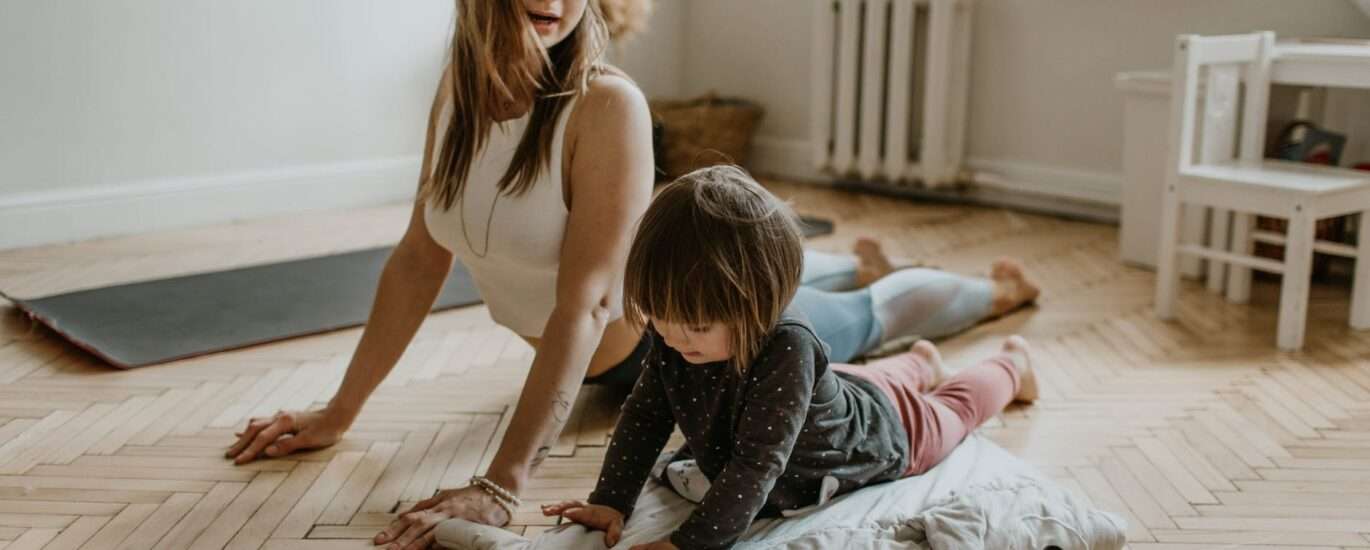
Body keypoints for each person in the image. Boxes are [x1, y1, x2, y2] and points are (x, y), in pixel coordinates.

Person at [224, 2, 1036, 547]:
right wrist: (341, 409)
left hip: (685, 341)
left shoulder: (604, 104)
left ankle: (990, 296)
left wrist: (502, 485)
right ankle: (870, 295)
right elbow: (416, 260)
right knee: (824, 295)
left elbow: (583, 306)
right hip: (678, 322)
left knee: (863, 317)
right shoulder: (459, 95)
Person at [542, 166, 1037, 550]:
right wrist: (610, 499)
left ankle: (1012, 365)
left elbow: (757, 464)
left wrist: (691, 543)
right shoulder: (676, 335)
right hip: (832, 392)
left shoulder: (787, 347)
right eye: (661, 320)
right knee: (865, 381)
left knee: (954, 410)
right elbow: (647, 414)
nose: (672, 339)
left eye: (694, 327)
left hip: (883, 432)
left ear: (758, 305)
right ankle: (921, 362)